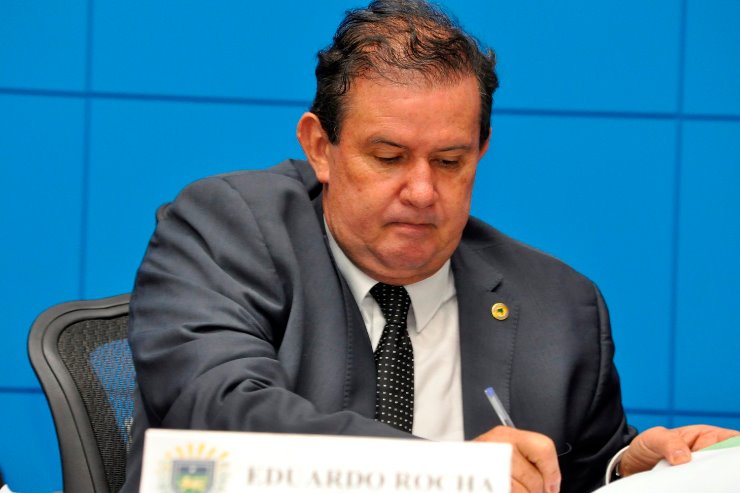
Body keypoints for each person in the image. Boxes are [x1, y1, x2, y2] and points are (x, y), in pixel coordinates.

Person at [121, 1, 738, 492]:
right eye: (388, 157)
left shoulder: (560, 307)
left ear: (481, 151)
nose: (421, 192)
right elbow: (221, 416)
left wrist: (628, 469)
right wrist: (453, 475)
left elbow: (574, 472)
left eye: (449, 161)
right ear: (320, 148)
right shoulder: (227, 229)